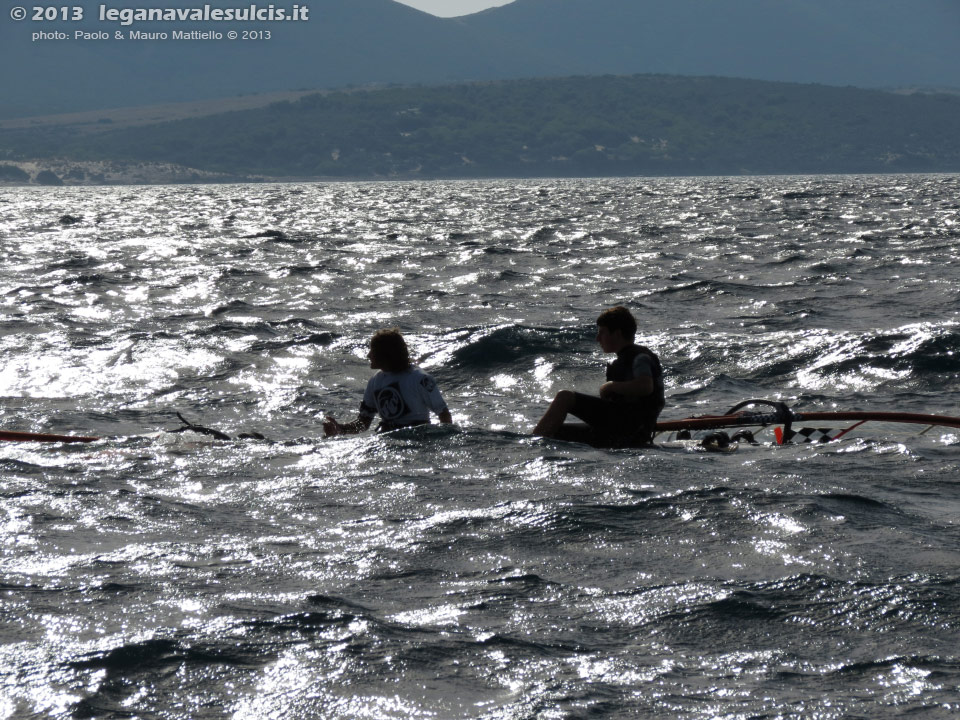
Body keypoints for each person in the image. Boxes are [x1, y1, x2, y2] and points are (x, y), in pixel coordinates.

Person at [533, 306, 665, 447]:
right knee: (554, 430)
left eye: (602, 333)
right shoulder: (623, 360)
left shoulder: (640, 358)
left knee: (565, 397)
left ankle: (531, 447)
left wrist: (611, 386)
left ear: (617, 334)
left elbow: (646, 386)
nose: (597, 338)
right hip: (618, 429)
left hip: (627, 428)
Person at [323, 328, 452, 436]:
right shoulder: (375, 381)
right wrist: (340, 429)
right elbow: (363, 423)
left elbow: (444, 414)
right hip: (388, 439)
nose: (368, 355)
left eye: (372, 350)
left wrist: (446, 441)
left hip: (417, 438)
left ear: (386, 354)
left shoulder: (420, 379)